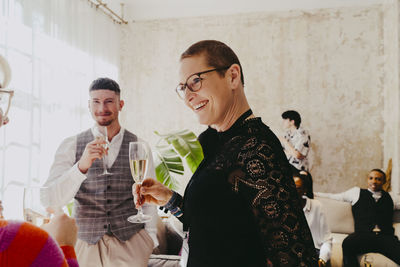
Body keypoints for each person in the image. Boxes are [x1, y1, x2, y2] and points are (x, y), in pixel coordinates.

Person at [134, 40, 318, 267]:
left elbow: (296, 256)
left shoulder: (257, 147)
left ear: (232, 76)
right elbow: (211, 224)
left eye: (196, 81)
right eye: (183, 87)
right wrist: (169, 199)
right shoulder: (211, 139)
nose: (188, 96)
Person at [43, 77, 158, 267]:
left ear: (120, 105)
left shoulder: (139, 145)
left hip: (130, 243)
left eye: (108, 101)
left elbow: (149, 196)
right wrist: (81, 166)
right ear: (88, 106)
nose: (101, 108)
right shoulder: (71, 145)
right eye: (96, 102)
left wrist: (149, 239)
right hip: (84, 245)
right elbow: (50, 199)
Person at [0, 87, 79, 266]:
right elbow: (48, 196)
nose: (6, 120)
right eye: (1, 99)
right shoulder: (24, 242)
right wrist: (65, 244)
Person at [315, 169, 400, 266]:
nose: (374, 181)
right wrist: (315, 194)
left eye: (378, 179)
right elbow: (336, 197)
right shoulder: (356, 192)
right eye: (371, 178)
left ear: (384, 182)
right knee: (348, 243)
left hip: (385, 237)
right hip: (363, 235)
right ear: (367, 180)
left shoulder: (391, 197)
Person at [293, 170, 332, 267]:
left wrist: (322, 259)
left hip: (314, 252)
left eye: (297, 188)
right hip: (293, 253)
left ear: (304, 190)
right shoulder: (285, 208)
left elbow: (327, 240)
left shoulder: (316, 206)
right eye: (291, 187)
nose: (293, 191)